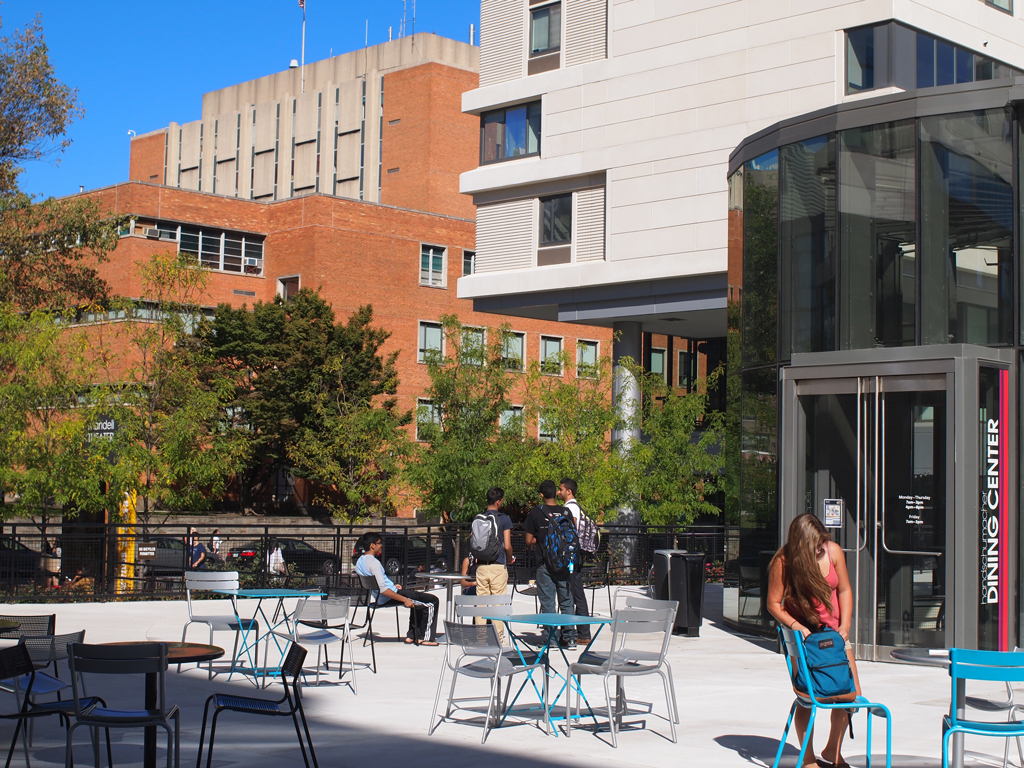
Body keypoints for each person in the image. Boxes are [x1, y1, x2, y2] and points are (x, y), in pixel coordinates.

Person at [767, 514, 861, 768]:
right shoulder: (784, 562)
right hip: (805, 640)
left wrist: (846, 625)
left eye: (823, 543)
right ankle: (807, 758)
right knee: (807, 697)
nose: (821, 548)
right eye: (816, 545)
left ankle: (833, 749)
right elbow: (773, 604)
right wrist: (796, 627)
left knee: (849, 695)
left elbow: (844, 590)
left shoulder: (833, 552)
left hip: (835, 636)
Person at [354, 532, 439, 645]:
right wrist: (404, 599)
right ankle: (424, 637)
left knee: (418, 600)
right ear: (372, 545)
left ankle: (412, 636)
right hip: (388, 596)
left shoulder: (360, 561)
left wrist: (392, 586)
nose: (382, 545)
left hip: (382, 596)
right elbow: (383, 589)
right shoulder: (374, 564)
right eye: (379, 543)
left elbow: (379, 583)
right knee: (431, 601)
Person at [523, 479, 576, 649]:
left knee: (548, 603)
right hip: (563, 562)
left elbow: (529, 540)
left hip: (544, 564)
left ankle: (551, 639)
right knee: (566, 600)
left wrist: (543, 539)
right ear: (556, 493)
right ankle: (570, 638)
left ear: (541, 495)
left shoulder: (536, 513)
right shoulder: (565, 512)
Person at [471, 487, 515, 642]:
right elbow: (508, 545)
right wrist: (509, 559)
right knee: (498, 603)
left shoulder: (479, 517)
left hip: (481, 566)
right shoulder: (504, 519)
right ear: (498, 501)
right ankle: (498, 639)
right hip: (498, 564)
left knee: (481, 603)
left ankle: (481, 638)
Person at [557, 478, 591, 643]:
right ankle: (575, 631)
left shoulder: (570, 509)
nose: (559, 492)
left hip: (571, 557)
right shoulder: (575, 507)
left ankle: (583, 633)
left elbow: (572, 530)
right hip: (575, 556)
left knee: (575, 593)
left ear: (568, 491)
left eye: (561, 489)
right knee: (573, 592)